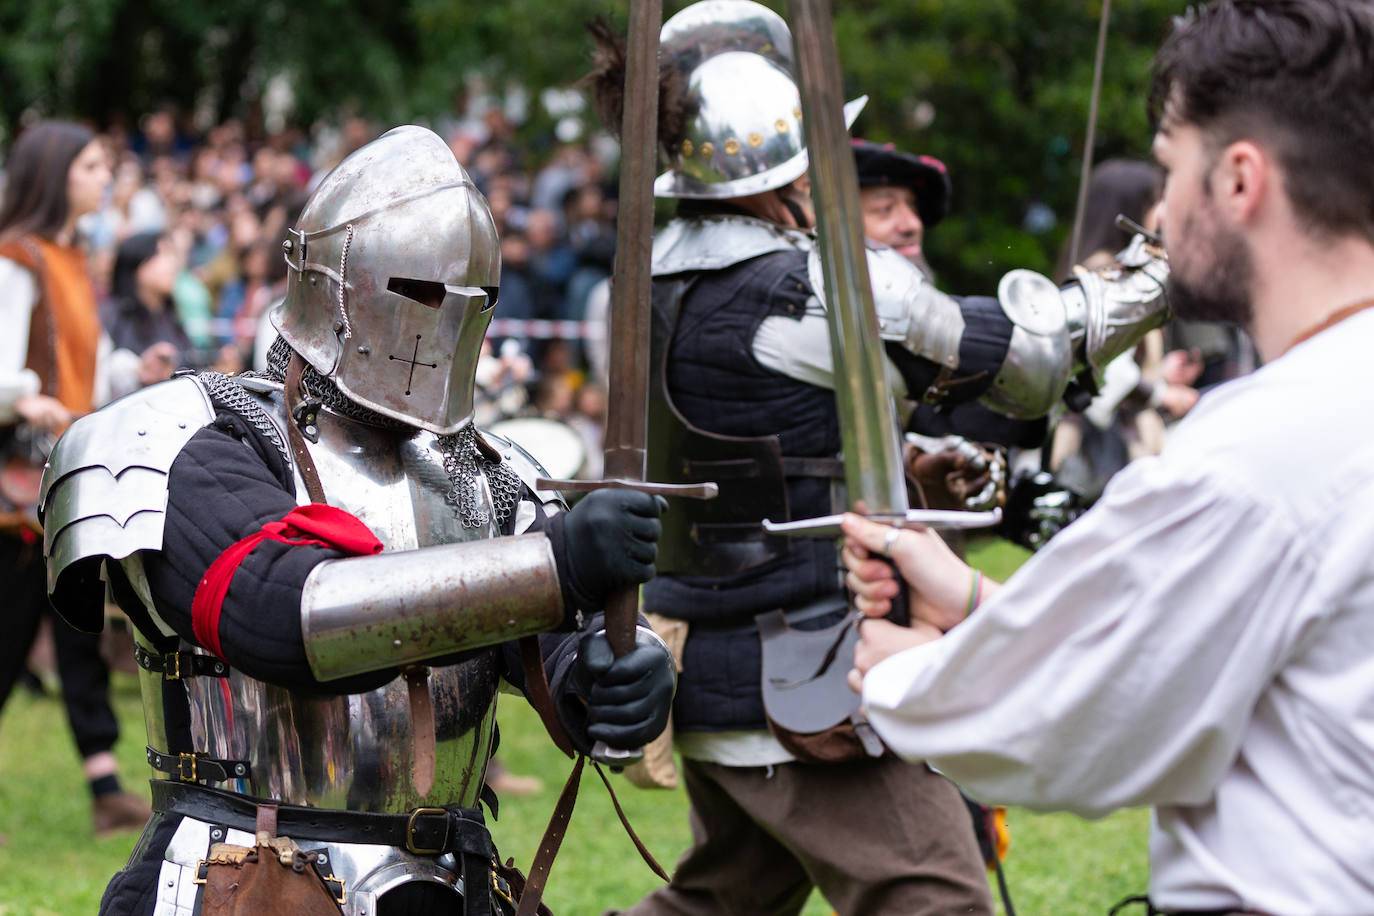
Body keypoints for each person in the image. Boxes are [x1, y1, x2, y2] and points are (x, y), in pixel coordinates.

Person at [588, 3, 1172, 914]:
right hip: (806, 676)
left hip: (710, 665)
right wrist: (1162, 275)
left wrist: (907, 467)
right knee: (939, 898)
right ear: (788, 160)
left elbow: (757, 453)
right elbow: (1025, 358)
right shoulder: (808, 286)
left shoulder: (635, 287)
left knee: (719, 903)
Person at [40, 125, 676, 916]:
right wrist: (552, 569)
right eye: (416, 292)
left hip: (451, 882)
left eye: (465, 303)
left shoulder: (492, 473)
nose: (437, 325)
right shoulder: (193, 437)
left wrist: (613, 672)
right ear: (330, 285)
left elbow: (555, 649)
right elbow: (285, 615)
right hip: (242, 876)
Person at [842, 2, 1374, 911]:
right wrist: (973, 599)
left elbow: (1062, 725)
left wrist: (895, 670)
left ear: (1240, 178)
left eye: (1171, 170)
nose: (1159, 212)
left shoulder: (1261, 452)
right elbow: (1188, 653)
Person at [0, 120, 171, 843]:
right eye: (94, 165)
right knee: (6, 638)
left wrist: (135, 374)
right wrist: (22, 395)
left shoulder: (71, 260)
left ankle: (105, 787)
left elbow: (89, 372)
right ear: (57, 171)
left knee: (77, 632)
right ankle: (103, 785)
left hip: (60, 476)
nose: (106, 176)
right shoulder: (16, 259)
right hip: (15, 485)